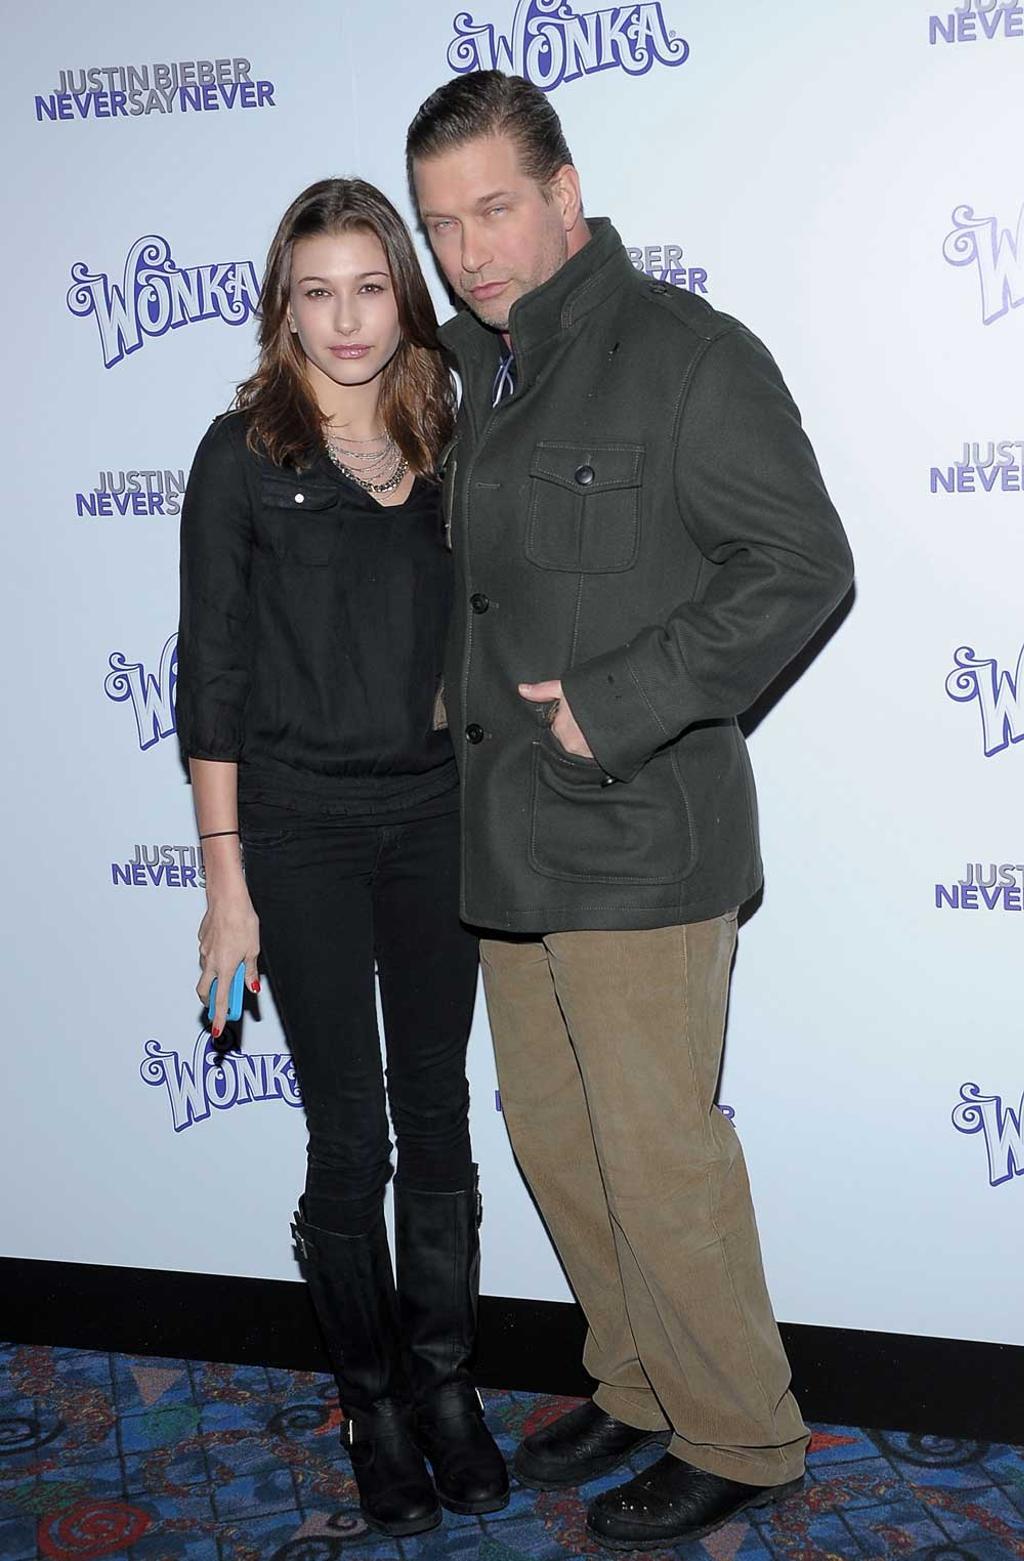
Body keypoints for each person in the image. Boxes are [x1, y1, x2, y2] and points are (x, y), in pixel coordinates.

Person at [406, 73, 854, 1551]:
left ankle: (743, 1430)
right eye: (442, 221)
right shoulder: (483, 370)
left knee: (660, 1151)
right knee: (554, 1136)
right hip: (512, 836)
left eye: (495, 207)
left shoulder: (687, 355)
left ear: (566, 193)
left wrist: (624, 694)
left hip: (643, 831)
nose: (470, 247)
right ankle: (639, 1380)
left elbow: (799, 564)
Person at [175, 177, 508, 1538]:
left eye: (370, 284)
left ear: (403, 293)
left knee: (437, 1120)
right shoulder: (241, 453)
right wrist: (224, 889)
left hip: (437, 818)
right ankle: (369, 1403)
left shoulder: (450, 434)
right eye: (316, 290)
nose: (347, 316)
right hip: (301, 830)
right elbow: (213, 679)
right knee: (349, 1132)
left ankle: (446, 1391)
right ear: (282, 307)